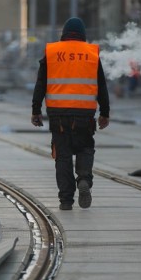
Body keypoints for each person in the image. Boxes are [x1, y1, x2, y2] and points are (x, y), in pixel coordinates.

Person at [31, 17, 110, 210]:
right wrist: (104, 112)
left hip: (58, 115)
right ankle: (83, 179)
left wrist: (36, 110)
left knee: (63, 156)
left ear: (63, 34)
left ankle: (66, 200)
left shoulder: (52, 52)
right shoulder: (91, 54)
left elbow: (40, 84)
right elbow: (102, 86)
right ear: (83, 35)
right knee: (85, 148)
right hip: (84, 114)